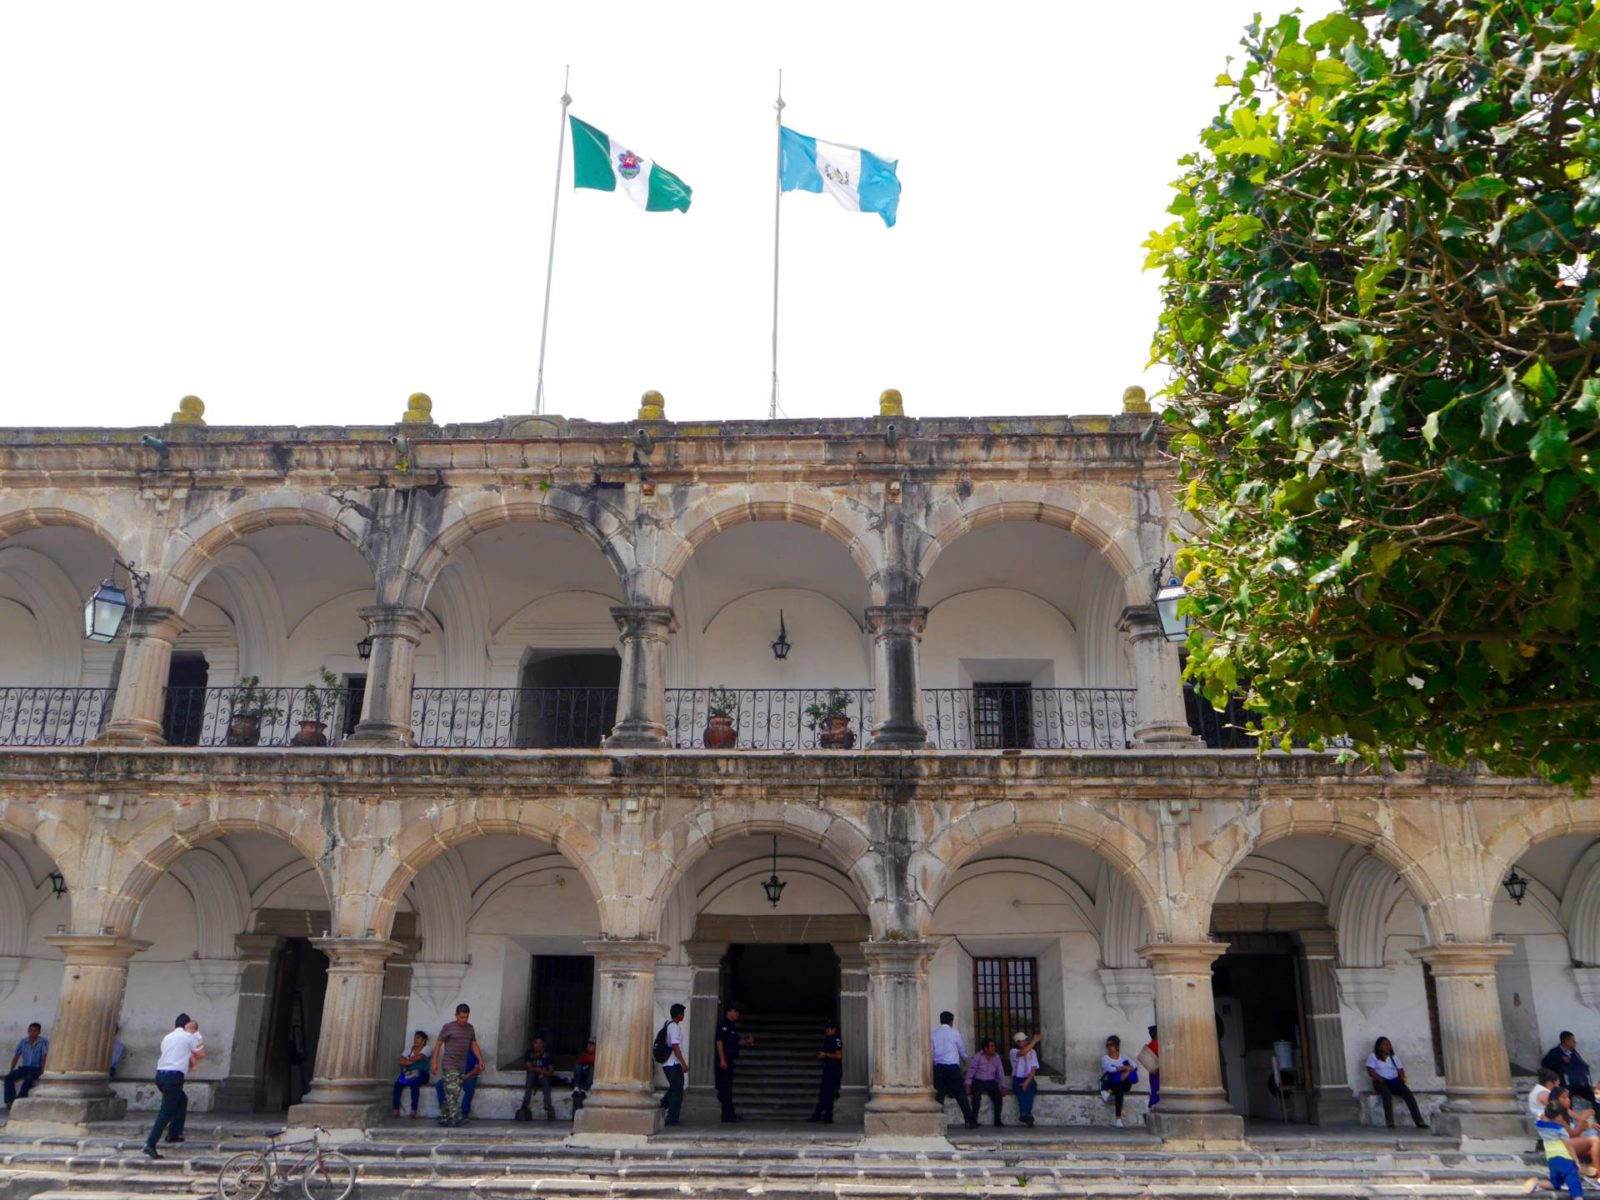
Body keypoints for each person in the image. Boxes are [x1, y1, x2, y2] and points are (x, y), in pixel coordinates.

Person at [142, 1014, 204, 1159]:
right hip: (173, 1076)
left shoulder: (167, 1037)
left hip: (160, 1075)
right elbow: (200, 1053)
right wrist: (198, 1037)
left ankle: (174, 1133)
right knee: (166, 1111)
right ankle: (150, 1144)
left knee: (181, 1100)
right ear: (187, 1025)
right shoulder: (188, 1037)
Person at [431, 1003, 483, 1128]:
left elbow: (474, 1044)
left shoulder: (470, 1028)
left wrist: (480, 1059)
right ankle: (456, 1117)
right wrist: (434, 1062)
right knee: (453, 1090)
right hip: (450, 1063)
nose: (464, 1020)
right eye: (461, 1017)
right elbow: (438, 1044)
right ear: (456, 1015)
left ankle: (445, 1116)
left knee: (453, 1091)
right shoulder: (448, 1027)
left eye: (466, 1017)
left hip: (461, 1065)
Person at [1531, 1094, 1588, 1198]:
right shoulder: (1560, 1129)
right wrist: (1576, 1160)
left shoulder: (1539, 1125)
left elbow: (1539, 1117)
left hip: (1551, 1158)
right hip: (1564, 1157)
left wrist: (1544, 1112)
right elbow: (1569, 1145)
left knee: (1555, 1183)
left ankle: (1538, 1183)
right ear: (1558, 1116)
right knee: (1574, 1182)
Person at [1365, 1036, 1427, 1129]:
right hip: (1380, 1081)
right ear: (1379, 1046)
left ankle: (1419, 1121)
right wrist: (1381, 1079)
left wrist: (1401, 1078)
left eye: (1388, 1044)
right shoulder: (1373, 1056)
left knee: (1408, 1094)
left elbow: (1401, 1070)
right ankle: (1390, 1121)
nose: (1387, 1046)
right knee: (1387, 1094)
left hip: (1394, 1081)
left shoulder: (1394, 1057)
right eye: (1384, 1044)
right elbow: (1370, 1071)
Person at [932, 1011, 976, 1130]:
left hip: (939, 1068)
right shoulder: (954, 1033)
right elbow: (961, 1049)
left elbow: (932, 1052)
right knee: (961, 1095)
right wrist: (966, 1059)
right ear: (951, 1021)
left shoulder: (934, 1034)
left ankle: (937, 1123)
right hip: (952, 1068)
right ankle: (969, 1120)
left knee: (939, 1097)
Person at [714, 1002, 756, 1123]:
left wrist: (747, 1041)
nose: (737, 1014)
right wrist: (722, 1059)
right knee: (724, 1088)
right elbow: (719, 1042)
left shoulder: (732, 1026)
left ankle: (729, 1114)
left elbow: (737, 1041)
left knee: (728, 1088)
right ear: (729, 1012)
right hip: (724, 1061)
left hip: (730, 1060)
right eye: (735, 1012)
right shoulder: (723, 1025)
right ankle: (727, 1115)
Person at [1543, 1033, 1596, 1107]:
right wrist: (1560, 1060)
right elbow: (1545, 1064)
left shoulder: (1574, 1053)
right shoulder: (1555, 1052)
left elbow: (1580, 1064)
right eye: (1572, 1040)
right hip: (1563, 1084)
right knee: (1566, 1100)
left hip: (1577, 1083)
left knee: (1594, 1096)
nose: (1575, 1042)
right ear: (1566, 1041)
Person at [965, 1038, 1008, 1126]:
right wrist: (968, 1085)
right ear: (985, 1048)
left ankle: (997, 1120)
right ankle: (973, 1120)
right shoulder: (978, 1056)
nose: (994, 1048)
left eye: (994, 1046)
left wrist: (1003, 1086)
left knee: (998, 1096)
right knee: (976, 1097)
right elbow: (971, 1070)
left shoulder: (996, 1057)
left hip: (991, 1081)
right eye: (991, 1046)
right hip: (978, 1081)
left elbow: (1000, 1072)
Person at [807, 1019, 843, 1123]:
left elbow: (838, 1055)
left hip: (833, 1068)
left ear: (833, 1029)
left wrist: (826, 1055)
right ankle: (818, 1114)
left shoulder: (836, 1039)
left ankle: (827, 1115)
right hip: (827, 1067)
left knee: (829, 1092)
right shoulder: (828, 1039)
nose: (827, 1030)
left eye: (828, 1028)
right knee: (824, 1091)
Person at [4, 1022, 48, 1107]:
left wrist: (43, 1071)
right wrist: (11, 1069)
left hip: (36, 1068)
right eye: (30, 1030)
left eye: (35, 1031)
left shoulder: (43, 1042)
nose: (32, 1033)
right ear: (28, 1031)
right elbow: (16, 1056)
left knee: (28, 1079)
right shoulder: (23, 1042)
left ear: (39, 1032)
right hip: (24, 1067)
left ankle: (20, 1100)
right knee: (9, 1078)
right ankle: (10, 1101)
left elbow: (44, 1057)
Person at [1100, 1035, 1138, 1129]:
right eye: (1107, 1045)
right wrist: (1126, 1068)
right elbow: (1110, 1069)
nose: (1109, 1047)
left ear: (1117, 1046)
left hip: (1124, 1083)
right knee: (1120, 1088)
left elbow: (1134, 1065)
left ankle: (1109, 1092)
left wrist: (1126, 1070)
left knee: (1122, 1084)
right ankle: (1118, 1119)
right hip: (1111, 1082)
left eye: (1111, 1045)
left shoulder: (1123, 1057)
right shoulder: (1105, 1058)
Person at [659, 1003, 687, 1126]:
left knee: (674, 1088)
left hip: (668, 1064)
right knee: (677, 1091)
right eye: (682, 1013)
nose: (684, 1016)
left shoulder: (668, 1024)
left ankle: (662, 1104)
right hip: (673, 1063)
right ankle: (672, 1118)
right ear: (679, 1014)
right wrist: (683, 1063)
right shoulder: (674, 1027)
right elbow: (675, 1046)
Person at [433, 1047, 480, 1119]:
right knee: (439, 1085)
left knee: (470, 1086)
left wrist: (468, 1075)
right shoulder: (455, 1050)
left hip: (470, 1075)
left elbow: (478, 1068)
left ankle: (464, 1112)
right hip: (456, 1075)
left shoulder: (474, 1050)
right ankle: (446, 1111)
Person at [392, 1030, 429, 1118]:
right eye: (415, 1038)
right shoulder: (409, 1049)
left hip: (422, 1073)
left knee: (415, 1083)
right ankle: (395, 1109)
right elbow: (401, 1060)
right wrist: (411, 1060)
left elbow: (420, 1057)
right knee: (398, 1084)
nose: (415, 1040)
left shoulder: (427, 1048)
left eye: (418, 1038)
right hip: (409, 1073)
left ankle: (413, 1110)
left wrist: (408, 1061)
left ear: (423, 1040)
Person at [1010, 1031, 1042, 1127]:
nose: (1025, 1042)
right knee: (1020, 1093)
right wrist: (1034, 1041)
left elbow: (1033, 1070)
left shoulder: (1033, 1052)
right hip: (1018, 1078)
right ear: (1018, 1042)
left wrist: (1027, 1082)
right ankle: (1028, 1116)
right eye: (1022, 1040)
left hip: (1029, 1078)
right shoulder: (1013, 1052)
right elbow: (1023, 1053)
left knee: (1030, 1092)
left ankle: (1024, 1114)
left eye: (1025, 1040)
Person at [521, 1036, 557, 1120]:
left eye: (539, 1043)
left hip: (544, 1075)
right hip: (534, 1075)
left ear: (543, 1044)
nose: (537, 1045)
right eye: (535, 1043)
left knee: (544, 1081)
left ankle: (548, 1107)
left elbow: (551, 1071)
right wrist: (538, 1069)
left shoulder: (548, 1054)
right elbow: (528, 1067)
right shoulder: (529, 1053)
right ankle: (525, 1105)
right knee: (530, 1076)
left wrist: (543, 1072)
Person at [1138, 1026, 1160, 1110]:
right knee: (1158, 1091)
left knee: (1154, 1090)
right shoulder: (1157, 1044)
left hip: (1152, 1072)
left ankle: (1151, 1108)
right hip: (1159, 1073)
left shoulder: (1150, 1044)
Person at [572, 1037, 595, 1111]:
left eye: (592, 1045)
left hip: (590, 1080)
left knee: (592, 1068)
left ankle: (584, 1090)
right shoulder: (583, 1055)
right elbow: (578, 1063)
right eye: (589, 1045)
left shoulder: (597, 1055)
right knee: (578, 1067)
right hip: (582, 1077)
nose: (590, 1047)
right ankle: (576, 1087)